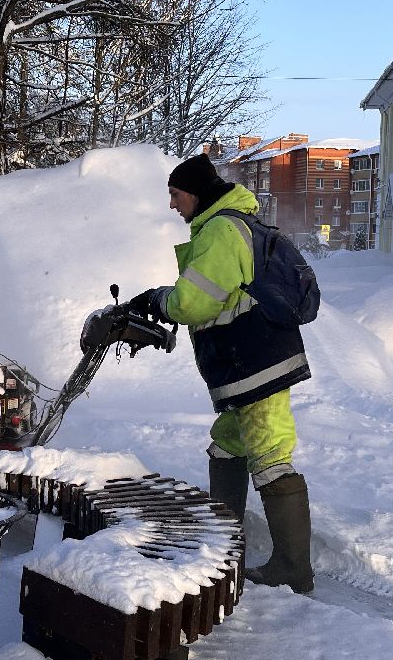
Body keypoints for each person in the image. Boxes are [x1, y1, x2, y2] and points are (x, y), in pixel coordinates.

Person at [127, 153, 314, 594]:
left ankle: (293, 567)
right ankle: (224, 548)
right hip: (247, 364)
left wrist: (157, 299)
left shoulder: (221, 230)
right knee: (227, 446)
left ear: (193, 193)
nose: (172, 204)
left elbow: (194, 302)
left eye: (175, 194)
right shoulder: (232, 225)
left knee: (270, 455)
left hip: (255, 363)